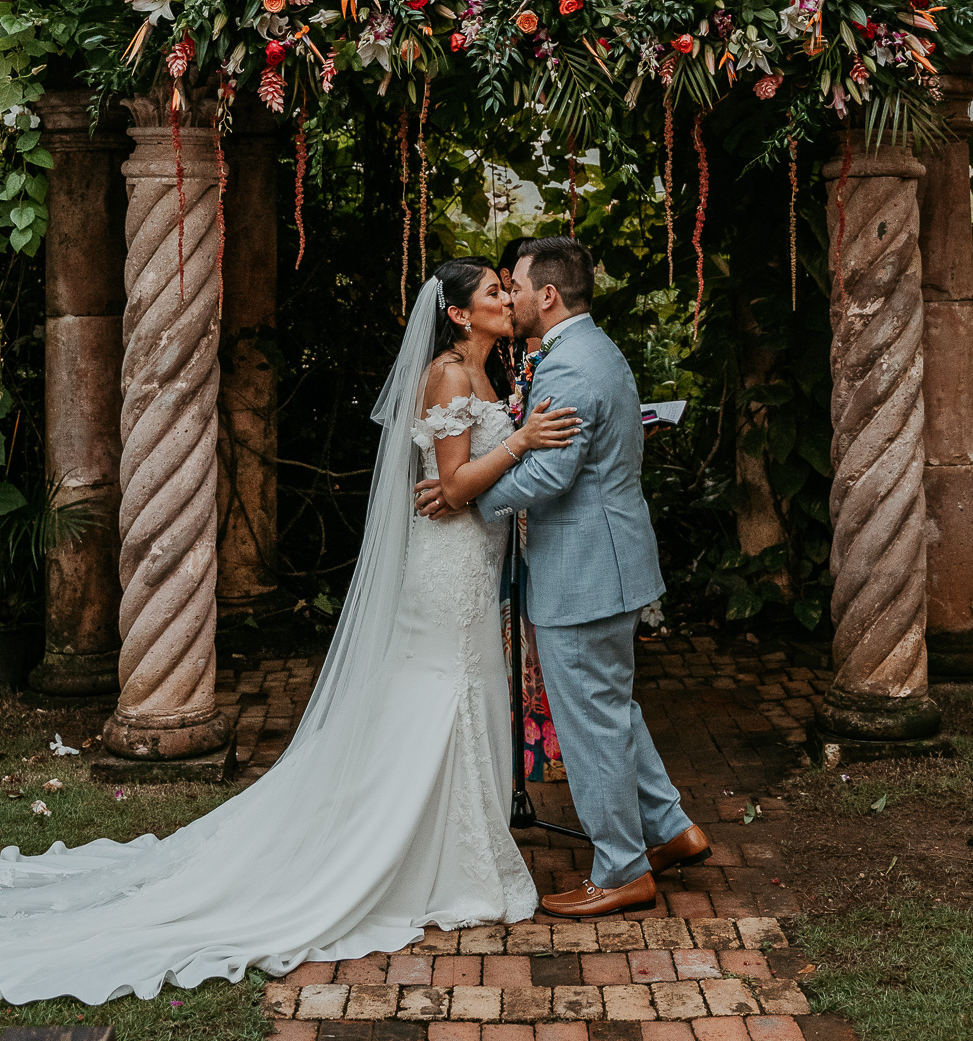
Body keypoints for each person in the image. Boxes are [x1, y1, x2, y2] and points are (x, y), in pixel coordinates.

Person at [0, 259, 578, 1005]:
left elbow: (460, 483)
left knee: (460, 690)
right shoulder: (446, 376)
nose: (509, 297)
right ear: (461, 315)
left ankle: (456, 850)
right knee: (442, 691)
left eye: (509, 287)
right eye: (495, 291)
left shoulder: (488, 373)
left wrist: (498, 453)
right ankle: (420, 858)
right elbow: (455, 487)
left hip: (471, 562)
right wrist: (521, 443)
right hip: (448, 568)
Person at [416, 236, 711, 917]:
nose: (510, 296)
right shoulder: (590, 349)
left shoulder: (568, 367)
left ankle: (619, 870)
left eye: (513, 285)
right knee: (613, 709)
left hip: (584, 569)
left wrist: (462, 497)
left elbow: (550, 473)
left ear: (546, 295)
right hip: (606, 559)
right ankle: (670, 829)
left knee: (593, 723)